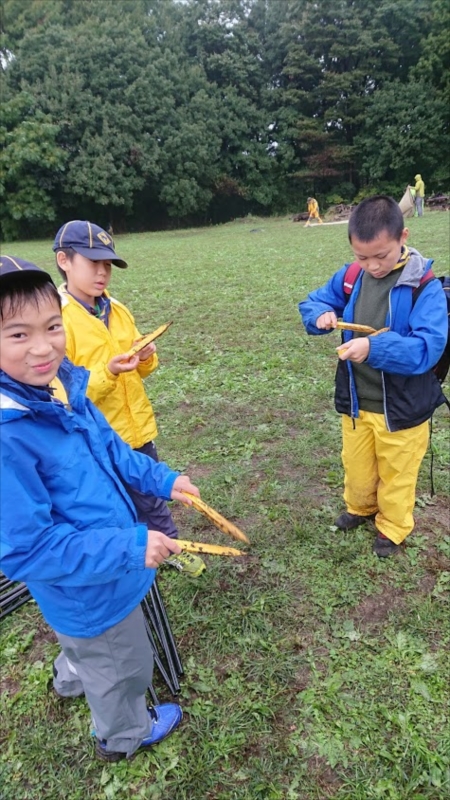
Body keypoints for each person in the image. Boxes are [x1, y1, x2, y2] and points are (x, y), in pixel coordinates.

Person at [0, 256, 201, 761]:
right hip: (90, 589)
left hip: (108, 564)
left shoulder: (62, 388)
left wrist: (164, 478)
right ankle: (123, 735)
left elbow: (112, 450)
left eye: (51, 327)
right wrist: (133, 544)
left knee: (89, 651)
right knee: (127, 664)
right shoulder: (8, 437)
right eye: (18, 335)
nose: (43, 347)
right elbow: (28, 551)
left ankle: (72, 675)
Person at [52, 220, 205, 578]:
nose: (102, 273)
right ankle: (129, 556)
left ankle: (171, 549)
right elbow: (63, 394)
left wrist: (146, 357)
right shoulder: (58, 320)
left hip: (137, 430)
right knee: (111, 504)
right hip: (96, 437)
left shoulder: (117, 310)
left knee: (152, 500)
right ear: (64, 260)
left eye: (107, 265)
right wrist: (109, 373)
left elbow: (140, 370)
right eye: (93, 264)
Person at [299, 195, 447, 557]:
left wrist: (373, 349)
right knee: (358, 464)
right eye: (362, 257)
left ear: (402, 237)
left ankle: (393, 528)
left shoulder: (422, 287)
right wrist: (320, 316)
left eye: (381, 256)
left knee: (397, 472)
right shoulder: (352, 276)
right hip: (356, 400)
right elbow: (314, 301)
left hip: (402, 406)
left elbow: (427, 349)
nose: (372, 266)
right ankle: (361, 507)